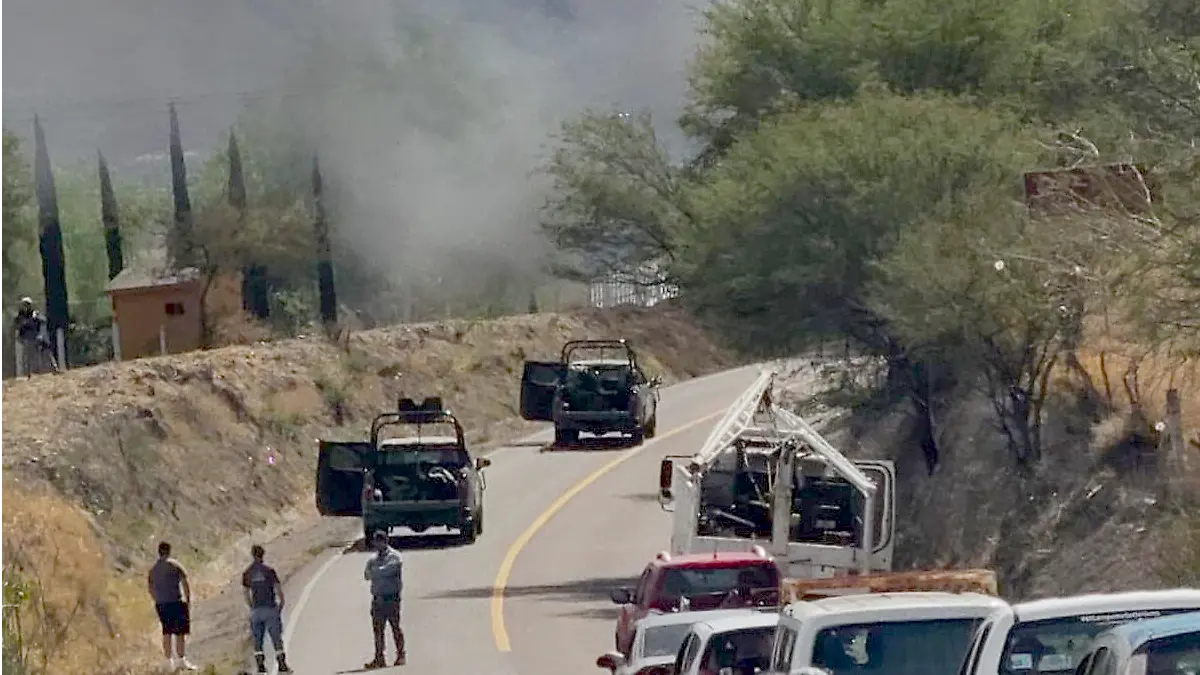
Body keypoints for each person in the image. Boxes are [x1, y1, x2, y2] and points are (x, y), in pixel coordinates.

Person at [147, 541, 198, 671]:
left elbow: (150, 587)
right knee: (180, 632)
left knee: (167, 632)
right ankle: (181, 660)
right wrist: (188, 599)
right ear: (169, 551)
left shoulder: (153, 569)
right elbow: (185, 582)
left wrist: (156, 599)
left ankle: (168, 661)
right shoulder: (175, 565)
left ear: (159, 552)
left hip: (161, 604)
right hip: (176, 601)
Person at [241, 544, 292, 674]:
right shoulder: (269, 571)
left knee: (258, 639)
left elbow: (246, 593)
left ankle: (261, 667)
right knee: (276, 637)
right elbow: (278, 589)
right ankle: (282, 665)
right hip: (270, 607)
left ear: (252, 555)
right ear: (263, 554)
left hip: (256, 610)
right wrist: (281, 603)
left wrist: (251, 606)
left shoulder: (247, 573)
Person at [363, 530, 406, 668]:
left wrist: (376, 571)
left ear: (385, 542)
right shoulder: (373, 559)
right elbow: (366, 575)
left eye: (380, 541)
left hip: (391, 598)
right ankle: (379, 658)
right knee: (378, 630)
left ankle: (401, 655)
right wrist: (376, 571)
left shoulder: (395, 556)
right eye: (376, 542)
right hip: (377, 599)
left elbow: (388, 570)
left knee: (395, 627)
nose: (377, 544)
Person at [10, 297, 57, 376]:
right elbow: (16, 325)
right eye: (24, 305)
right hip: (27, 338)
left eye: (27, 304)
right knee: (28, 356)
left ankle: (54, 368)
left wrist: (36, 318)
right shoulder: (20, 315)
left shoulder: (34, 313)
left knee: (47, 350)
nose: (26, 306)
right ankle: (28, 373)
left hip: (36, 336)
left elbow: (43, 320)